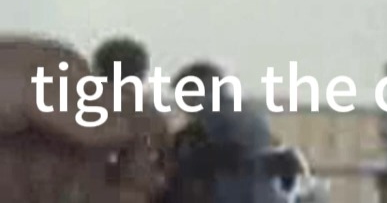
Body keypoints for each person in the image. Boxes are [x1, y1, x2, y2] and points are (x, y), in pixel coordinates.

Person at [0, 36, 167, 202]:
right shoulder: (145, 114)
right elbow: (142, 173)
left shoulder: (71, 98)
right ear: (141, 71)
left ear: (97, 65)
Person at [165, 61, 281, 203]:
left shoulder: (215, 119)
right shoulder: (248, 112)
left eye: (183, 97)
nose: (181, 105)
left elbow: (205, 160)